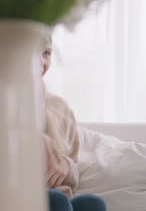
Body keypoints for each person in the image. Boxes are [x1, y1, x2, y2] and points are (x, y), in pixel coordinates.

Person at [41, 38, 106, 211]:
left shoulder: (60, 107)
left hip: (60, 200)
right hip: (18, 198)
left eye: (46, 53)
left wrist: (65, 165)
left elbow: (74, 166)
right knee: (54, 199)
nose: (42, 62)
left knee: (92, 203)